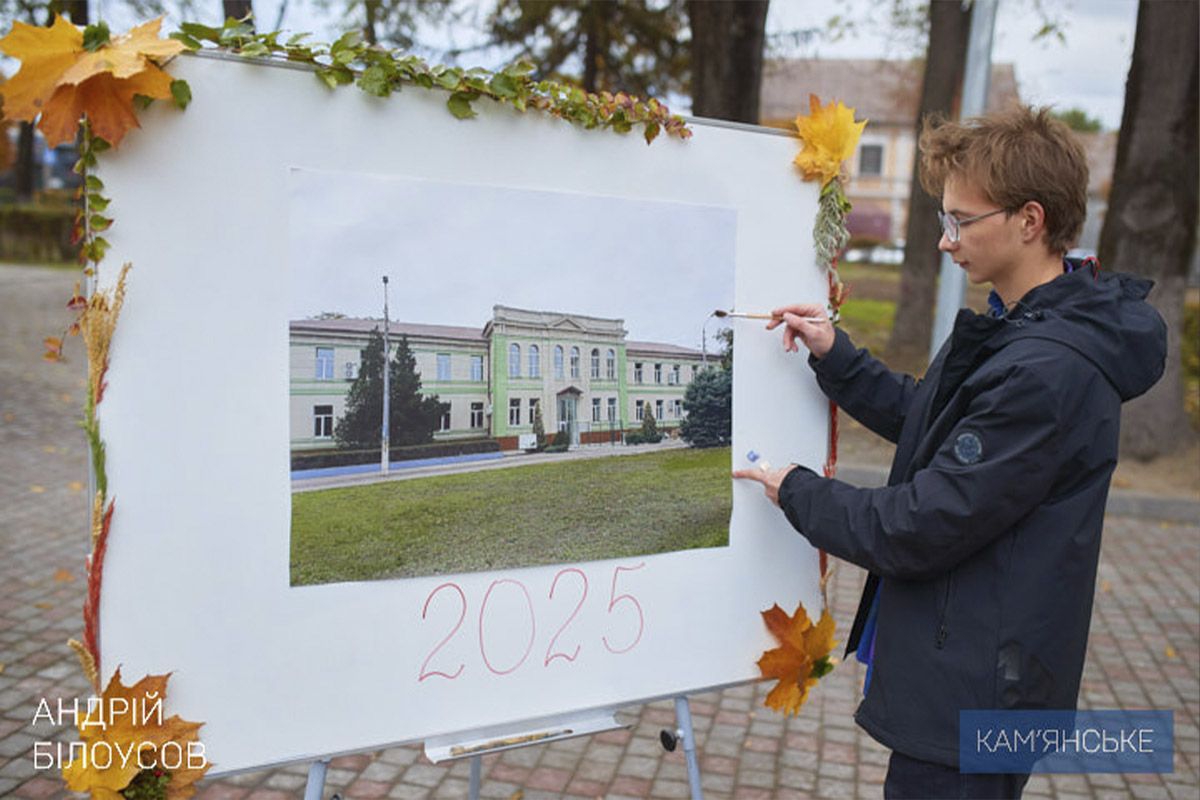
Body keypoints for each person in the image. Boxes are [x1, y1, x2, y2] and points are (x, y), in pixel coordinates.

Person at [733, 106, 1166, 799]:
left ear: (1029, 222)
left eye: (962, 221)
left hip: (981, 694)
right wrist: (838, 358)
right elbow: (940, 427)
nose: (945, 240)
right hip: (979, 673)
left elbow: (918, 526)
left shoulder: (1046, 368)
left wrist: (795, 488)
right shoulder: (1026, 329)